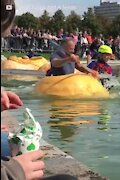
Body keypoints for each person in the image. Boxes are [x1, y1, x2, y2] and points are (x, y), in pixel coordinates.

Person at [1, 1, 78, 179]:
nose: (73, 48)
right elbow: (54, 64)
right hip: (53, 87)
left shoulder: (71, 56)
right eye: (71, 46)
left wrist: (90, 72)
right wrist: (11, 172)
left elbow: (80, 68)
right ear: (65, 45)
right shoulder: (59, 54)